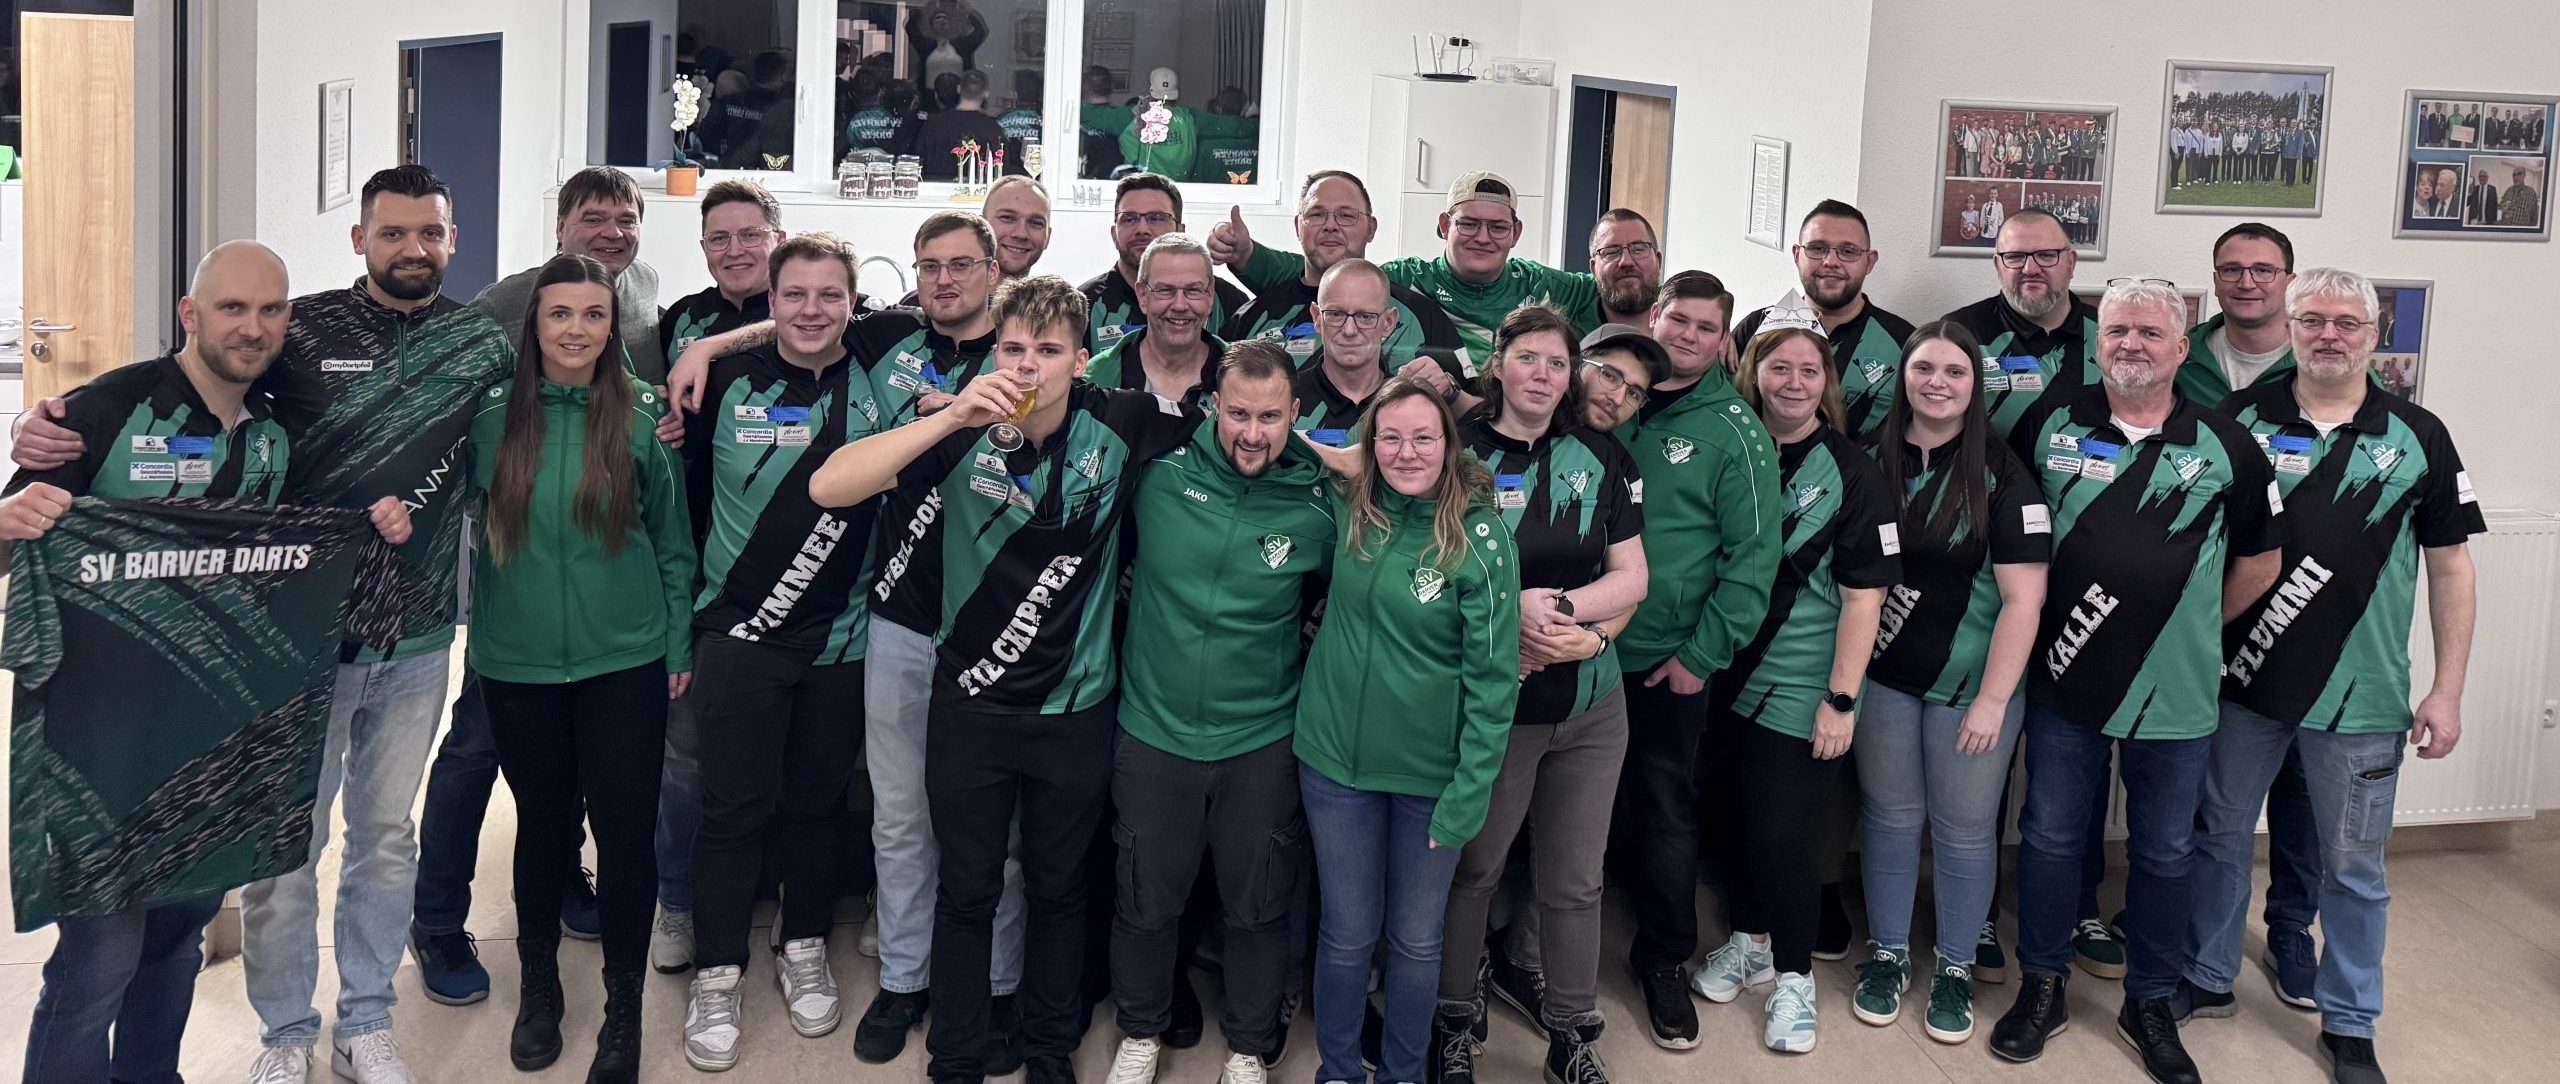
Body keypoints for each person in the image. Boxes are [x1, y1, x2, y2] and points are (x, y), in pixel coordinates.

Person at [1, 167, 515, 1082]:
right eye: (392, 232)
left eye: (430, 232)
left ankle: (363, 1023)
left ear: (453, 237)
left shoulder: (474, 346)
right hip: (241, 676)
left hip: (375, 651)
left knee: (354, 853)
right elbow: (177, 388)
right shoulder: (283, 341)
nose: (254, 326)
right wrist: (40, 437)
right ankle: (284, 1034)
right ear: (359, 239)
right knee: (261, 858)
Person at [808, 275, 1204, 1084]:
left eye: (1048, 351)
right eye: (1014, 348)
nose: (1027, 367)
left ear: (1082, 362)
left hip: (1074, 710)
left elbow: (1241, 428)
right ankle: (955, 1055)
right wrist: (950, 416)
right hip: (969, 706)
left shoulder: (1121, 420)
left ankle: (1047, 1047)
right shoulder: (960, 427)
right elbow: (829, 486)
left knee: (1058, 888)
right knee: (967, 888)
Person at [2175, 267, 2482, 1084]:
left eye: (2348, 323)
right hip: (2241, 681)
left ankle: (2349, 1021)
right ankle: (2207, 976)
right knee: (2219, 838)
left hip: (2362, 693)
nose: (2329, 336)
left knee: (2353, 866)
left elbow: (2451, 566)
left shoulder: (2419, 434)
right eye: (2312, 320)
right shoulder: (2240, 421)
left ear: (2373, 336)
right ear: (2290, 326)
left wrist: (2447, 689)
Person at [1989, 277, 2285, 1084]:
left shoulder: (2227, 443)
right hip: (2065, 678)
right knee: (2050, 839)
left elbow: (2263, 560)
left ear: (2181, 348)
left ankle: (2149, 1000)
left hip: (2176, 691)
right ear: (2099, 341)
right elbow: (2012, 540)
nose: (2132, 344)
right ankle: (2043, 985)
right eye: (2118, 330)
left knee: (2164, 851)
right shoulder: (2050, 424)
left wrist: (2190, 626)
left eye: (2151, 333)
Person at [465, 253, 696, 1084]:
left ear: (611, 326)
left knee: (625, 835)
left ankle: (624, 1011)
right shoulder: (490, 419)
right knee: (543, 827)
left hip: (625, 659)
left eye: (593, 315)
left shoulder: (642, 420)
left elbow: (672, 543)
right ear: (534, 323)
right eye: (559, 313)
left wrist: (678, 645)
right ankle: (539, 991)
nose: (576, 330)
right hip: (517, 663)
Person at [674, 234, 888, 1071]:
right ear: (770, 303)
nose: (811, 310)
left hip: (842, 639)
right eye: (794, 294)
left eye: (830, 295)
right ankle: (718, 971)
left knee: (818, 804)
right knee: (731, 810)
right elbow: (681, 500)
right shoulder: (723, 380)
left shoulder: (883, 368)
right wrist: (705, 346)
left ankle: (803, 946)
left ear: (853, 304)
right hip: (738, 636)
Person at [1101, 341, 1336, 1084]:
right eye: (1238, 414)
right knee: (1144, 900)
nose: (1252, 434)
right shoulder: (1158, 473)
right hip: (1153, 729)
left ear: (1295, 415)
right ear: (1213, 408)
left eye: (1270, 418)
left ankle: (1247, 1047)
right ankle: (1140, 1031)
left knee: (1258, 906)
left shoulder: (1318, 505)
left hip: (1261, 737)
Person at [1431, 308, 1648, 1084]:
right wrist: (1508, 614)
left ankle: (1571, 1031)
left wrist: (1567, 619)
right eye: (1528, 358)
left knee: (1575, 881)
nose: (1543, 375)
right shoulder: (1454, 451)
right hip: (1497, 707)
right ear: (1498, 363)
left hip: (1590, 705)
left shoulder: (1603, 454)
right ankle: (1454, 1020)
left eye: (1558, 363)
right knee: (1475, 870)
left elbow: (1633, 577)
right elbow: (1424, 571)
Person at [1289, 377, 1521, 1084]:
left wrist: (1469, 794)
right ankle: (1338, 1070)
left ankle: (1401, 1074)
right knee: (1345, 934)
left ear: (1450, 444)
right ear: (1369, 446)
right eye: (1389, 437)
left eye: (1424, 436)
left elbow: (1493, 682)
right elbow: (1285, 449)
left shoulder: (1481, 536)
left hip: (1431, 778)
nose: (1406, 451)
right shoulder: (1353, 507)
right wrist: (1339, 456)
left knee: (1416, 941)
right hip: (1335, 766)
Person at [1689, 322, 1900, 1055]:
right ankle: (1749, 943)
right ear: (1753, 373)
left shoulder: (1852, 471)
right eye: (1779, 368)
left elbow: (1865, 598)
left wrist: (1841, 701)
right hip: (1723, 668)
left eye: (1810, 371)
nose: (1794, 383)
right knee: (1737, 819)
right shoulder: (1732, 452)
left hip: (1804, 679)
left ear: (1827, 384)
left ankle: (1794, 978)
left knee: (1783, 834)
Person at [1851, 321, 2049, 1046]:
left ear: (1976, 385)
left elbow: (2025, 602)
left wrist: (1994, 701)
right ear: (1903, 376)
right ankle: (1888, 956)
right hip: (1883, 677)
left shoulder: (2006, 476)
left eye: (1955, 372)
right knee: (1889, 818)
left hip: (1972, 686)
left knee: (1963, 831)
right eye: (1924, 368)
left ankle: (1956, 966)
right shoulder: (1869, 460)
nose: (1937, 383)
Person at [1604, 271, 1783, 1050]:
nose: (1687, 336)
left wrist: (1700, 657)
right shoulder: (1607, 398)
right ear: (1654, 316)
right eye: (1678, 319)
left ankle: (1662, 958)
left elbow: (1753, 560)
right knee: (1556, 809)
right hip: (1572, 650)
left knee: (1664, 808)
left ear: (1724, 343)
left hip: (1663, 661)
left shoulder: (1736, 432)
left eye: (1706, 328)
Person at [1211, 170, 1603, 361]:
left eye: (1498, 227)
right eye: (1468, 224)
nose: (1483, 237)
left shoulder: (1545, 284)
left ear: (1516, 232)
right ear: (1444, 226)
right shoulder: (1407, 280)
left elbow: (1613, 290)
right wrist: (1249, 257)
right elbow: (1326, 275)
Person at [1219, 170, 1467, 372]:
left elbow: (1465, 398)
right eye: (1316, 214)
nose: (1330, 225)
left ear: (1371, 229)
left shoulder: (1420, 316)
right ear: (1297, 226)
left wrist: (1449, 389)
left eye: (1346, 216)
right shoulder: (1252, 318)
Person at [1730, 200, 1917, 436]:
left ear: (1869, 262)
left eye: (1848, 251)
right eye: (1818, 248)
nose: (1830, 262)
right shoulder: (1756, 328)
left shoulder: (1905, 342)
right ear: (1797, 255)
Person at [471, 167, 663, 381]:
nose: (613, 233)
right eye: (593, 220)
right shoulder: (503, 301)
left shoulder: (646, 280)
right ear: (561, 228)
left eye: (627, 221)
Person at [1944, 209, 2101, 442]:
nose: (2030, 269)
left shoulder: (2111, 333)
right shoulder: (1960, 333)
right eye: (2015, 257)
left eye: (2046, 255)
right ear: (1998, 265)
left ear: (2071, 262)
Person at [1080, 172, 1247, 356]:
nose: (1142, 229)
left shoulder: (1227, 302)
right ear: (1114, 233)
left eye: (1156, 218)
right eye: (1129, 218)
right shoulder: (1085, 304)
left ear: (1180, 231)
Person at [1084, 233, 1230, 405]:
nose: (1180, 305)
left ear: (1210, 294)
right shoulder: (1093, 382)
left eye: (1193, 290)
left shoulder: (1246, 375)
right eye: (1165, 290)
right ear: (1142, 296)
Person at [2178, 223, 2297, 406]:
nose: (2246, 284)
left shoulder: (2315, 363)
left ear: (2290, 284)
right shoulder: (2178, 361)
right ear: (2216, 281)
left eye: (2263, 271)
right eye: (2231, 270)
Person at [915, 69, 1008, 182]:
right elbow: (1002, 168)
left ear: (958, 89)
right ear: (986, 94)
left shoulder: (933, 124)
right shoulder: (993, 128)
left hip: (935, 188)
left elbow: (918, 161)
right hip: (978, 191)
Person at [1590, 208, 1664, 327]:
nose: (1626, 261)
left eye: (1638, 249)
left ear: (1658, 261)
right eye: (1611, 252)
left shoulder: (1684, 331)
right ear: (1593, 269)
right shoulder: (1569, 334)